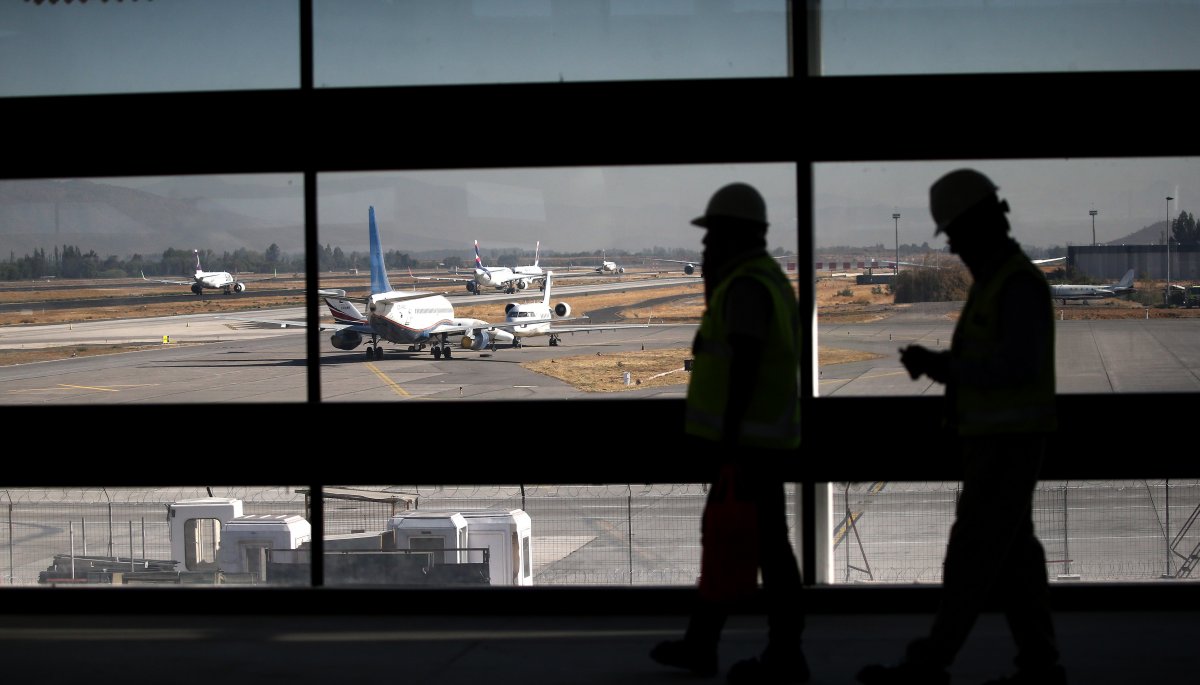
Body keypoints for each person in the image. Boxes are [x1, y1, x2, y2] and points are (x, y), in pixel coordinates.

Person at [856, 169, 1065, 685]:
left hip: (1007, 446)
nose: (953, 246)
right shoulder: (997, 282)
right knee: (1017, 560)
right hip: (994, 444)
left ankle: (931, 662)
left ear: (979, 225)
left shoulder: (1015, 284)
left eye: (954, 234)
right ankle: (1040, 665)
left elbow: (1015, 367)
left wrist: (941, 368)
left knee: (970, 558)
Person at [649, 182, 806, 684]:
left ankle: (783, 654)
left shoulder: (745, 287)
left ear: (737, 235)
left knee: (764, 552)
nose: (705, 246)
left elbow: (744, 367)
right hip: (757, 443)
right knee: (730, 541)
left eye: (713, 234)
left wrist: (731, 444)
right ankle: (705, 644)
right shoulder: (761, 280)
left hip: (749, 447)